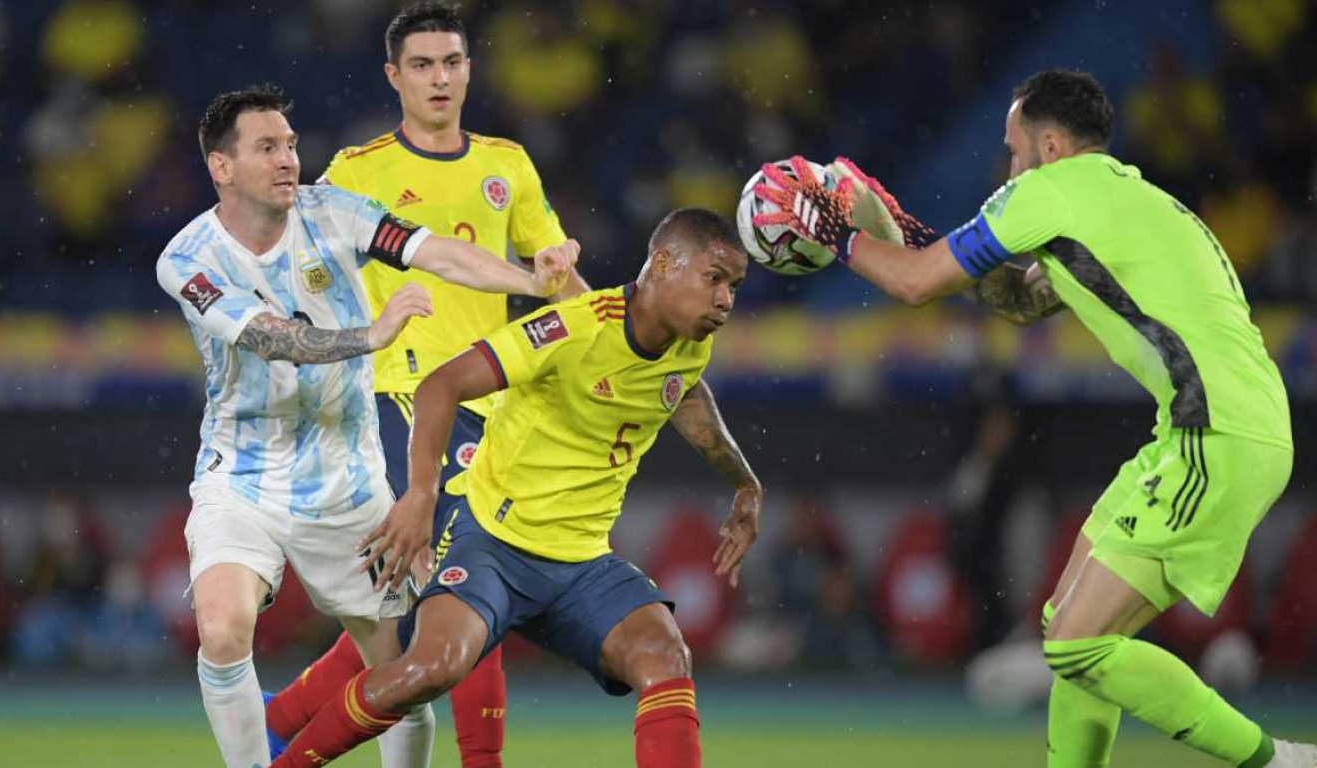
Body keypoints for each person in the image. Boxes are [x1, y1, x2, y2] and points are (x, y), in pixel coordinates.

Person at [757, 69, 1313, 768]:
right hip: (1204, 431)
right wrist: (891, 223)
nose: (1008, 166)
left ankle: (1281, 761)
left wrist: (834, 231)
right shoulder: (1129, 201)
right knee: (1068, 628)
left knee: (1077, 644)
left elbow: (914, 282)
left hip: (1216, 434)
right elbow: (1016, 299)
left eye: (1014, 150)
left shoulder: (1048, 192)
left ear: (1050, 146)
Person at [156, 83, 575, 768]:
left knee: (401, 673)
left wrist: (531, 281)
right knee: (223, 629)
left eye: (290, 144)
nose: (288, 158)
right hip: (242, 479)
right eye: (267, 147)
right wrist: (372, 335)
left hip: (348, 485)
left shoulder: (337, 213)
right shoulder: (187, 259)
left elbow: (437, 251)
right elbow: (270, 338)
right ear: (221, 168)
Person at [267, 207, 763, 768]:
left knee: (664, 655)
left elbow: (685, 392)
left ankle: (279, 718)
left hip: (582, 564)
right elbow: (442, 384)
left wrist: (744, 484)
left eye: (735, 286)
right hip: (493, 547)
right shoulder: (574, 327)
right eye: (715, 279)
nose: (726, 300)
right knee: (429, 669)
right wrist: (423, 495)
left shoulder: (691, 341)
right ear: (664, 262)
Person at [263, 5, 591, 765]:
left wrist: (607, 329)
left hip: (500, 409)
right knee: (477, 588)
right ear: (394, 76)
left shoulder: (508, 163)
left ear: (470, 70)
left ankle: (278, 725)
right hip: (400, 403)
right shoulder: (358, 170)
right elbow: (306, 281)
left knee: (424, 619)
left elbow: (557, 281)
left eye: (451, 62)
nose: (439, 78)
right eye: (422, 65)